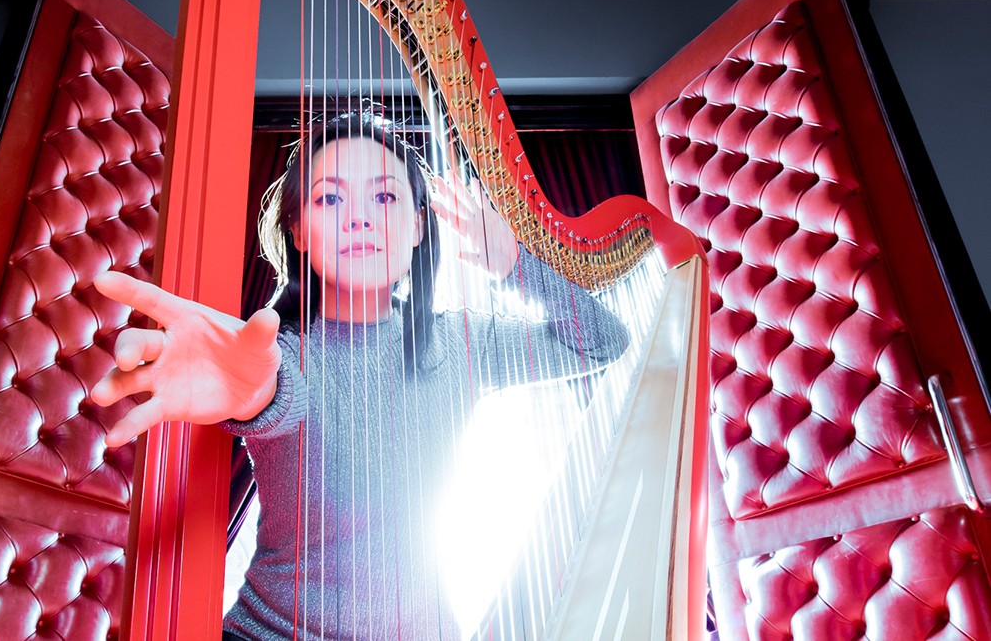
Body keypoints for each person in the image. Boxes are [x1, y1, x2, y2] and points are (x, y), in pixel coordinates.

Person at [91, 111, 629, 640]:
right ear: (298, 231)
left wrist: (514, 264)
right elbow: (271, 390)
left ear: (420, 225)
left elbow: (604, 342)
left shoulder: (461, 343)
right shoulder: (279, 356)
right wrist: (253, 391)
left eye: (385, 196)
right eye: (329, 198)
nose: (359, 218)